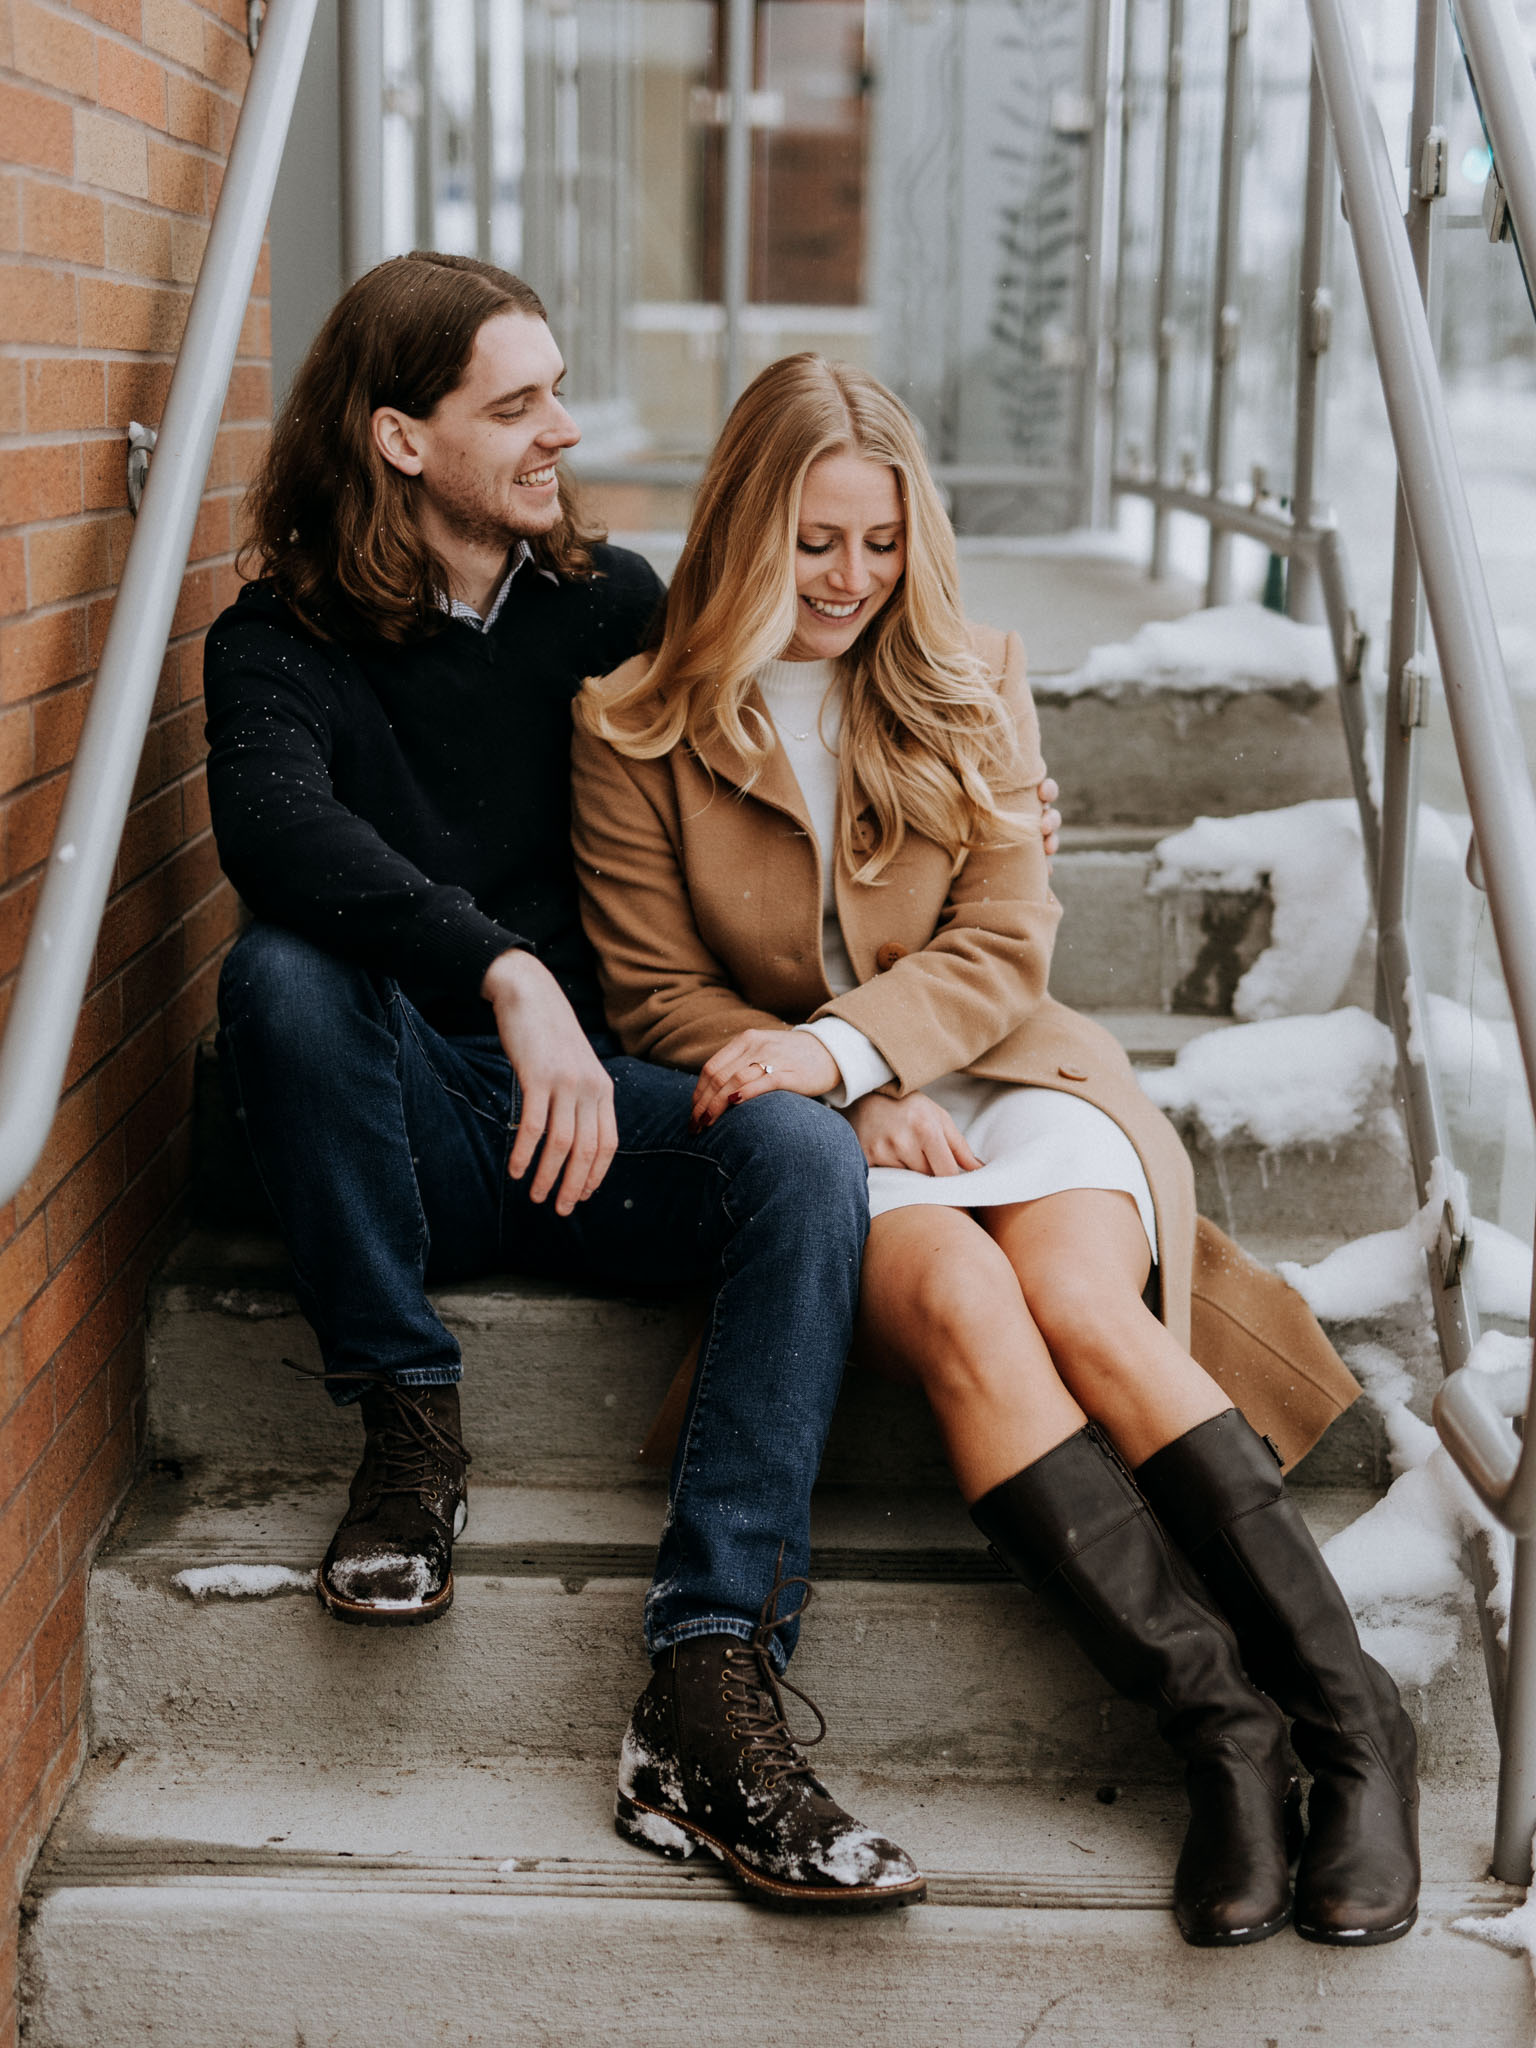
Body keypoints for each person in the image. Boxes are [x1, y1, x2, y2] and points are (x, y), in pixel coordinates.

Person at [571, 352, 1419, 1949]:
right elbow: (653, 992)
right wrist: (833, 1088)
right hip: (820, 1142)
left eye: (879, 543)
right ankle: (1226, 1741)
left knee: (1087, 1308)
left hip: (1014, 1072)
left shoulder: (968, 673)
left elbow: (1004, 943)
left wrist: (851, 1043)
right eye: (814, 542)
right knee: (965, 1302)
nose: (850, 581)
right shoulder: (633, 727)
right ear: (747, 525)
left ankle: (1357, 1728)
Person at [202, 255, 928, 1911]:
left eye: (555, 392)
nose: (563, 429)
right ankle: (408, 1429)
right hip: (394, 1121)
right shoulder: (281, 640)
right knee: (281, 974)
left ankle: (706, 1680)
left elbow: (796, 747)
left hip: (596, 1126)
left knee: (807, 1163)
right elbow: (276, 832)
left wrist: (856, 1039)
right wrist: (506, 971)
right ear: (399, 438)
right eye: (514, 404)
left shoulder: (616, 606)